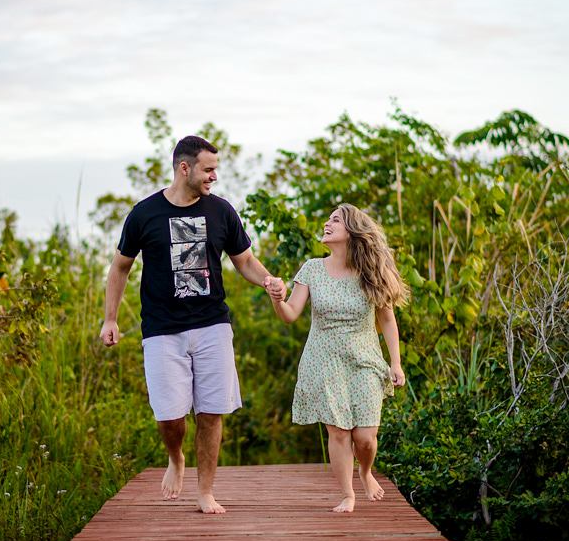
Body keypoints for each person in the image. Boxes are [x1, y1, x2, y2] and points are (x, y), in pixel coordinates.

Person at [100, 135, 285, 514]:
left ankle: (205, 492)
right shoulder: (144, 214)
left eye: (215, 169)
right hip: (161, 327)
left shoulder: (221, 211)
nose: (214, 176)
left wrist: (269, 280)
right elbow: (121, 266)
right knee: (169, 415)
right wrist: (110, 318)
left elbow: (245, 261)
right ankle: (175, 457)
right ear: (184, 168)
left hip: (212, 323)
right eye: (208, 169)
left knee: (210, 411)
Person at [266, 204, 409, 512]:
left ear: (352, 231)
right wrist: (278, 299)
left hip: (365, 360)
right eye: (327, 217)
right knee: (339, 431)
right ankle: (348, 495)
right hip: (324, 360)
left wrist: (395, 362)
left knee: (365, 438)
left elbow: (386, 318)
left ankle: (365, 470)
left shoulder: (370, 272)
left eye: (335, 220)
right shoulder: (312, 269)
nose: (327, 223)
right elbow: (290, 315)